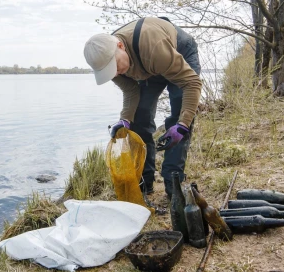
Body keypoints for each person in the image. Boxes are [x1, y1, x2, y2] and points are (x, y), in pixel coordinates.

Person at [84, 17, 202, 198]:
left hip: (178, 52)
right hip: (148, 66)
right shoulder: (112, 65)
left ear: (121, 47)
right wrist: (125, 119)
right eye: (109, 72)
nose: (115, 73)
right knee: (139, 118)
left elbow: (192, 83)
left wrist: (183, 125)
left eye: (115, 67)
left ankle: (173, 183)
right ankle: (145, 183)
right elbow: (131, 91)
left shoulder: (153, 47)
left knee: (180, 114)